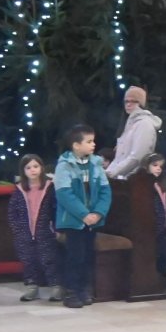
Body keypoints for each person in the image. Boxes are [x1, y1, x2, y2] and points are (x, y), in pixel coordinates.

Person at [53, 125, 110, 308]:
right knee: (74, 256)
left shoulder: (96, 164)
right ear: (76, 145)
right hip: (73, 221)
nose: (93, 145)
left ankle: (84, 289)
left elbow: (105, 191)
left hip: (92, 221)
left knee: (87, 255)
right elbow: (64, 194)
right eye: (89, 141)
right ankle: (71, 291)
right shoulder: (64, 165)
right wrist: (84, 214)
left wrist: (98, 213)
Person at [7, 154, 63, 302]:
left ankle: (56, 287)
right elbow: (13, 212)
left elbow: (56, 209)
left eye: (36, 166)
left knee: (49, 259)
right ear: (23, 171)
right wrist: (17, 229)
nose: (32, 170)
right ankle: (32, 287)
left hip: (45, 231)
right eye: (28, 167)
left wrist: (56, 228)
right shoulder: (19, 190)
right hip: (24, 233)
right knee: (28, 260)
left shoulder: (49, 187)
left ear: (42, 168)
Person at [104, 85, 163, 180]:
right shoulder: (130, 124)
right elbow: (119, 159)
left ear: (141, 103)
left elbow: (137, 157)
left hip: (134, 182)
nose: (128, 104)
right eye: (126, 101)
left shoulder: (144, 124)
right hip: (123, 179)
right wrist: (107, 174)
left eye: (133, 101)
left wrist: (111, 173)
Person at [143, 153, 166, 293]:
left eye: (161, 166)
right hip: (152, 226)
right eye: (155, 165)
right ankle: (159, 282)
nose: (158, 169)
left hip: (164, 225)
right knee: (157, 254)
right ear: (146, 166)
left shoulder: (161, 183)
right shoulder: (145, 185)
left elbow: (164, 207)